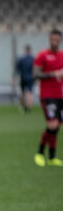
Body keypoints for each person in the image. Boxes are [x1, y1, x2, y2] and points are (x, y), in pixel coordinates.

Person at [33, 29, 63, 167]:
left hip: (60, 95)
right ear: (49, 39)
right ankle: (39, 153)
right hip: (47, 95)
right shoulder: (42, 55)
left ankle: (51, 157)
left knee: (56, 127)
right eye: (52, 39)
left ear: (60, 41)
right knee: (52, 124)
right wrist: (52, 74)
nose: (54, 42)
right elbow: (36, 74)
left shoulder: (62, 56)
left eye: (57, 40)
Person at [14, 45, 35, 113]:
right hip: (31, 78)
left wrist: (14, 77)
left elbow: (17, 69)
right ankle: (29, 107)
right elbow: (36, 69)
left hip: (23, 77)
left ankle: (23, 107)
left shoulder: (21, 59)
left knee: (23, 92)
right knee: (30, 92)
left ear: (25, 50)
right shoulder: (33, 59)